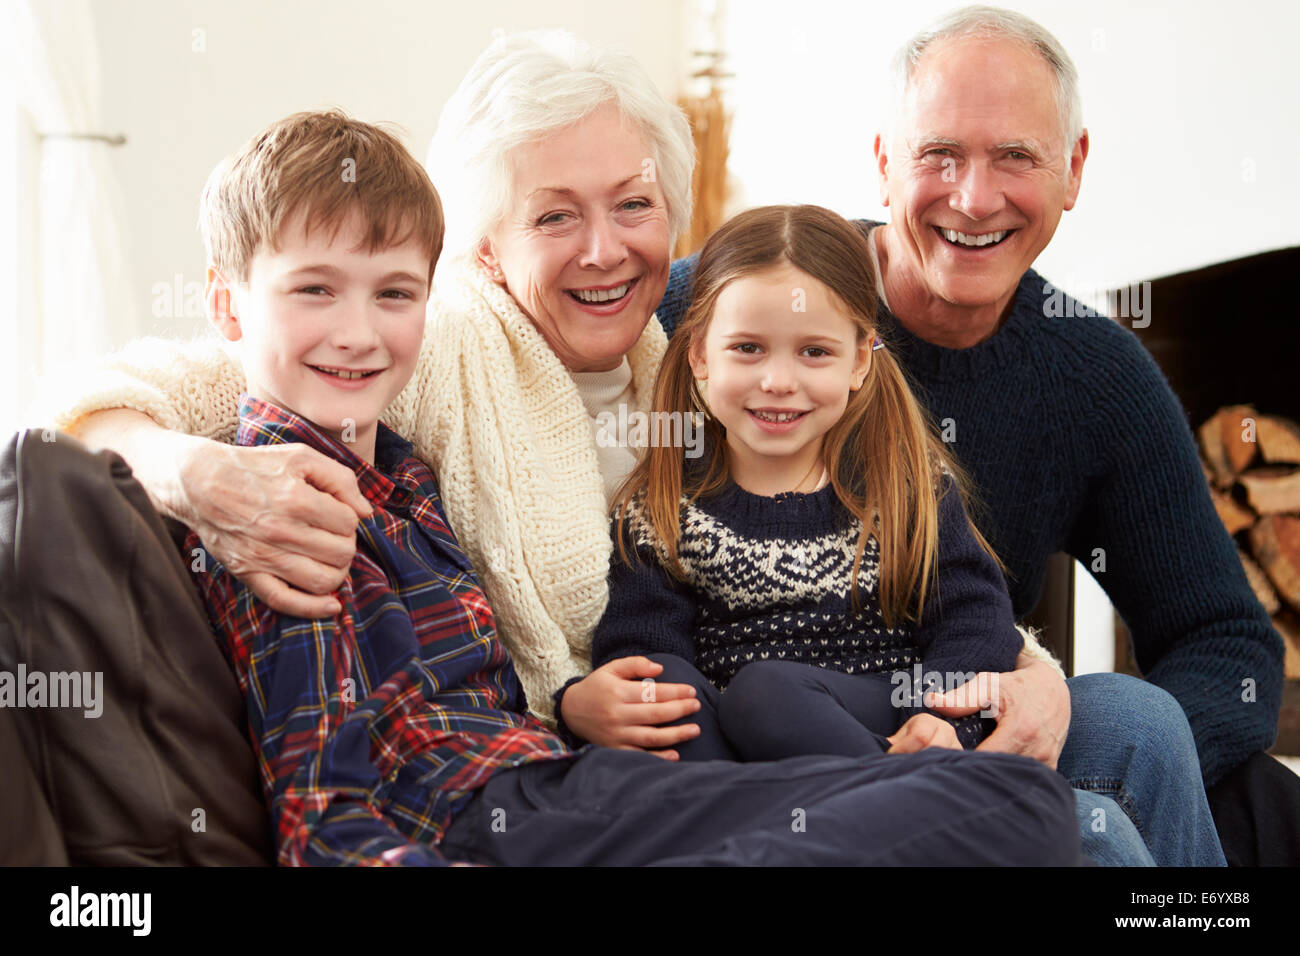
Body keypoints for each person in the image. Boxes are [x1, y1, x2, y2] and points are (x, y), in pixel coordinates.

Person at [43, 29, 1173, 864]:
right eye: (552, 215)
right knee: (1075, 832)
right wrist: (192, 471)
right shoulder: (419, 351)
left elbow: (901, 561)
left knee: (1117, 734)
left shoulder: (689, 342)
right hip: (599, 781)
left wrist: (1012, 675)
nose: (603, 251)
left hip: (726, 742)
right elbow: (140, 387)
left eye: (632, 205)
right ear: (481, 249)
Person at [653, 6, 1276, 866]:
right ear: (883, 163)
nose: (974, 198)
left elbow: (1227, 641)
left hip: (962, 715)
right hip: (778, 727)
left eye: (1016, 156)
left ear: (1073, 168)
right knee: (1098, 832)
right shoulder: (749, 299)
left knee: (1152, 728)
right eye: (938, 154)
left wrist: (1046, 715)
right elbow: (560, 325)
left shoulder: (1096, 377)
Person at [584, 204, 1023, 761]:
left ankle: (896, 797)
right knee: (662, 686)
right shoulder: (664, 508)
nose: (778, 382)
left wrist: (939, 719)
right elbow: (641, 652)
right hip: (735, 752)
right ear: (699, 355)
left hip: (882, 724)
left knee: (767, 693)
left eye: (815, 352)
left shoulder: (904, 488)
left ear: (860, 361)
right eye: (748, 348)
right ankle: (762, 822)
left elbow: (975, 618)